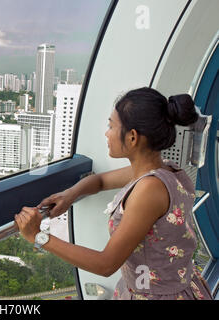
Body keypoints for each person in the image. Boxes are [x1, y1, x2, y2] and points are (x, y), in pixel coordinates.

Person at [14, 87, 213, 300]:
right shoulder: (165, 171)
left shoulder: (150, 189)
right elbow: (100, 181)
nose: (106, 133)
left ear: (133, 137)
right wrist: (70, 194)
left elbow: (105, 264)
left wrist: (38, 236)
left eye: (111, 126)